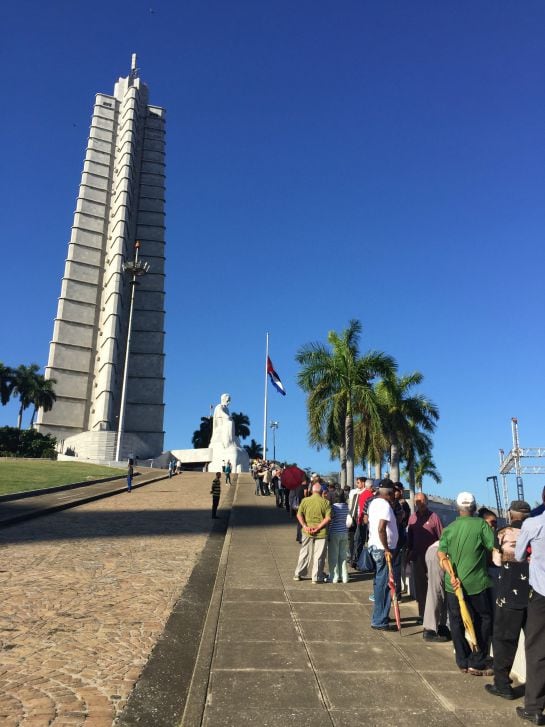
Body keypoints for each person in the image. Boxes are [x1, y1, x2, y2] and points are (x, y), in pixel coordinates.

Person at [437, 491, 495, 676]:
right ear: (475, 507)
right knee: (484, 618)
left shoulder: (449, 528)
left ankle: (462, 661)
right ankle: (477, 661)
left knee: (456, 621)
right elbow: (493, 545)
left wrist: (452, 575)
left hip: (453, 584)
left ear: (457, 509)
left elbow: (441, 554)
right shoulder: (481, 525)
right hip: (477, 583)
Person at [485, 500, 531, 701]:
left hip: (508, 596)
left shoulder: (502, 533)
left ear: (510, 515)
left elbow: (496, 561)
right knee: (537, 644)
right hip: (535, 595)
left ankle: (502, 685)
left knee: (504, 640)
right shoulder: (538, 532)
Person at [514, 501, 545, 724]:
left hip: (541, 595)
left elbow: (517, 555)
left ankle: (534, 707)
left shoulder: (533, 524)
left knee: (536, 650)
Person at [407, 493, 443, 624]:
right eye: (417, 501)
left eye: (422, 501)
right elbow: (409, 539)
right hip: (417, 558)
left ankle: (436, 617)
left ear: (426, 502)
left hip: (433, 559)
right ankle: (422, 615)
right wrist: (408, 554)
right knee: (420, 588)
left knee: (433, 587)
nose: (420, 504)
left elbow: (442, 537)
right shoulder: (412, 518)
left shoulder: (434, 517)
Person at [367, 480, 398, 630]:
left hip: (375, 546)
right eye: (392, 492)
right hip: (382, 549)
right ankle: (379, 620)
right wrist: (386, 549)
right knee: (385, 585)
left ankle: (381, 614)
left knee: (380, 583)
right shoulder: (384, 505)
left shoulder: (374, 503)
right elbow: (381, 528)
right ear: (389, 492)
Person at [293, 483, 332, 584]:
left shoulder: (305, 501)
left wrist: (305, 526)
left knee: (304, 552)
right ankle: (316, 576)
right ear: (321, 492)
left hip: (307, 531)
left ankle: (298, 573)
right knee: (319, 555)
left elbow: (299, 515)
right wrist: (318, 527)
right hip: (321, 532)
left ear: (312, 490)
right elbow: (328, 518)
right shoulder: (326, 502)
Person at [422, 541, 449, 642]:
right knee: (436, 591)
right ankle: (429, 629)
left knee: (444, 591)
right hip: (437, 553)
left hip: (440, 552)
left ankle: (442, 626)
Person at [327, 491, 349, 584]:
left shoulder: (333, 507)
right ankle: (345, 577)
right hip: (344, 532)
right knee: (343, 556)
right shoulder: (346, 507)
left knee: (333, 556)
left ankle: (334, 577)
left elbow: (330, 520)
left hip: (334, 532)